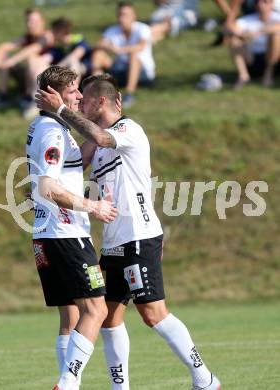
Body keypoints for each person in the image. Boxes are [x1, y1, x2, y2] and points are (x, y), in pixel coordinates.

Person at [35, 74, 221, 390]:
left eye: (85, 96)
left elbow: (102, 138)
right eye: (74, 95)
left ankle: (204, 378)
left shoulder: (126, 130)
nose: (79, 99)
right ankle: (120, 388)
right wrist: (42, 186)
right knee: (107, 318)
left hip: (139, 236)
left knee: (153, 314)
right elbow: (71, 164)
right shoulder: (96, 141)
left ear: (101, 102)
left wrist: (62, 111)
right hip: (112, 244)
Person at [26, 66, 117, 390]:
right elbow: (48, 188)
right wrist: (93, 206)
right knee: (96, 308)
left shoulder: (45, 127)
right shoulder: (53, 132)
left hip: (47, 236)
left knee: (72, 317)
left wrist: (106, 129)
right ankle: (67, 383)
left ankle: (69, 384)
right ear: (55, 95)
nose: (79, 96)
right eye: (74, 91)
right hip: (66, 235)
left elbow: (55, 174)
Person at [23, 17, 92, 119]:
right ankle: (37, 102)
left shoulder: (79, 41)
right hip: (62, 71)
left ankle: (73, 101)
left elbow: (75, 56)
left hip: (82, 71)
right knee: (39, 66)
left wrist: (55, 69)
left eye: (54, 31)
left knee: (73, 64)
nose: (52, 34)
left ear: (60, 32)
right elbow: (48, 57)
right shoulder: (58, 47)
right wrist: (35, 62)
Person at [0, 8, 53, 113]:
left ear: (42, 22)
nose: (30, 24)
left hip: (48, 78)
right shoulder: (28, 37)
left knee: (32, 59)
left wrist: (12, 61)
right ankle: (3, 96)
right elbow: (4, 46)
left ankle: (32, 98)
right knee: (4, 58)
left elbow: (33, 49)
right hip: (29, 75)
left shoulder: (47, 36)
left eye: (34, 21)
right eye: (28, 21)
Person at [92, 1, 155, 109]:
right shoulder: (112, 30)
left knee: (134, 55)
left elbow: (141, 46)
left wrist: (120, 50)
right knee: (98, 54)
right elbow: (98, 45)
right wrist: (106, 46)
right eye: (120, 14)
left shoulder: (143, 29)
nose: (122, 18)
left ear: (133, 16)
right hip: (120, 69)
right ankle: (95, 91)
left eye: (125, 15)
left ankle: (129, 94)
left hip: (142, 72)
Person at [227, 0, 280, 88]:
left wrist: (258, 32)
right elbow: (230, 29)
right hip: (251, 59)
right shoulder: (247, 20)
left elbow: (277, 27)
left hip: (274, 60)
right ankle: (243, 75)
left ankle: (268, 74)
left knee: (276, 35)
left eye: (264, 2)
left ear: (271, 4)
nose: (260, 5)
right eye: (258, 2)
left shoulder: (276, 18)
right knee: (234, 40)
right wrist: (244, 36)